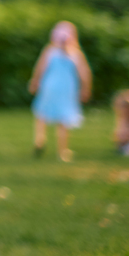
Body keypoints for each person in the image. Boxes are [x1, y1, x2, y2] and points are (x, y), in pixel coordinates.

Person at [28, 20, 92, 162]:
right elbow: (85, 73)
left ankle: (40, 138)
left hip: (49, 86)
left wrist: (34, 81)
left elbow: (40, 68)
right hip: (67, 89)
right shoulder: (76, 54)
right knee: (64, 119)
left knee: (42, 113)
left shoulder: (50, 51)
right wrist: (86, 89)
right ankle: (62, 151)